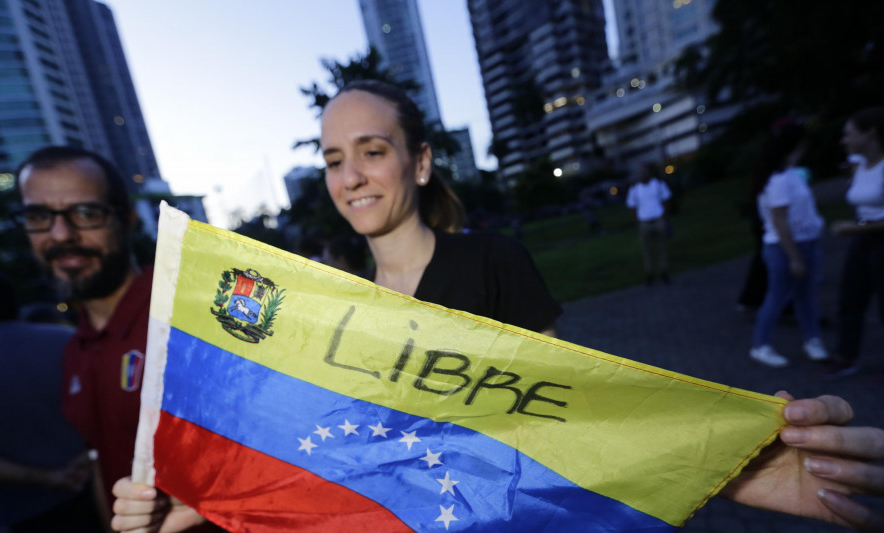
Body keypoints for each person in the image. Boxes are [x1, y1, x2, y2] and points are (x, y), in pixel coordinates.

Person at [111, 82, 884, 532]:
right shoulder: (322, 303)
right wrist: (187, 498)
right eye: (334, 158)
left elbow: (564, 418)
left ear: (418, 160)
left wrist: (723, 454)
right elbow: (322, 453)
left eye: (372, 150)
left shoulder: (492, 262)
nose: (350, 176)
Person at [14, 145, 155, 524]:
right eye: (40, 216)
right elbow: (101, 462)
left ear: (126, 220)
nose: (61, 234)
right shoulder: (75, 348)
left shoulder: (184, 317)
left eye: (86, 213)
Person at [0, 268, 99, 531]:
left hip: (22, 508)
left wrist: (45, 478)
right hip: (102, 482)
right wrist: (88, 456)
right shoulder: (71, 342)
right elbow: (115, 410)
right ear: (13, 299)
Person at [748, 118, 829, 367]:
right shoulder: (780, 179)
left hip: (805, 243)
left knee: (805, 296)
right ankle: (760, 345)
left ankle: (812, 339)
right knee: (777, 296)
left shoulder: (791, 174)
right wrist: (794, 257)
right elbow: (780, 221)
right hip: (784, 248)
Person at [824, 106, 884, 380]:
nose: (843, 139)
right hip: (861, 239)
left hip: (877, 238)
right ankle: (845, 357)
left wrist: (854, 227)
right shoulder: (859, 163)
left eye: (849, 133)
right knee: (850, 300)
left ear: (870, 132)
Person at [625, 163, 672, 285]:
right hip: (644, 223)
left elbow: (666, 199)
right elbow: (631, 207)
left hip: (658, 220)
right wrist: (636, 222)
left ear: (649, 173)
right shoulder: (635, 189)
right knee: (647, 250)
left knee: (661, 247)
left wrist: (664, 216)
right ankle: (649, 273)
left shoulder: (658, 185)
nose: (642, 175)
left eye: (644, 172)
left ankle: (664, 272)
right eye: (641, 173)